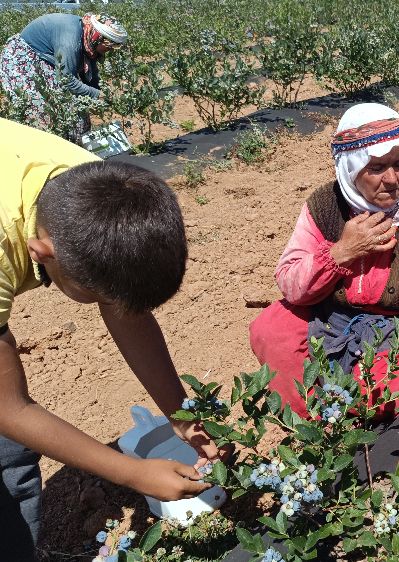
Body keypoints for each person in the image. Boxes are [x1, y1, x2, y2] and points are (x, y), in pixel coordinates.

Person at [0, 118, 225, 558]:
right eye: (99, 295)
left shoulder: (94, 189)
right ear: (41, 253)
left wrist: (181, 415)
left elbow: (126, 312)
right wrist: (133, 474)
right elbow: (8, 407)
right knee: (9, 460)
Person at [250, 103, 399, 419]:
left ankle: (351, 405)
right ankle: (312, 424)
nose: (393, 179)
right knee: (272, 329)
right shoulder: (326, 206)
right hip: (336, 322)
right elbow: (290, 281)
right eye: (377, 168)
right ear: (351, 169)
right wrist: (341, 252)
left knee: (386, 387)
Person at [0, 12, 127, 141]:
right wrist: (97, 95)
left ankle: (77, 145)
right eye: (110, 45)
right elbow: (67, 81)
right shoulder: (70, 41)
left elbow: (91, 77)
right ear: (98, 37)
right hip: (24, 59)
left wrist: (101, 92)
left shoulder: (88, 38)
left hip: (47, 59)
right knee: (43, 108)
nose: (110, 50)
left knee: (75, 110)